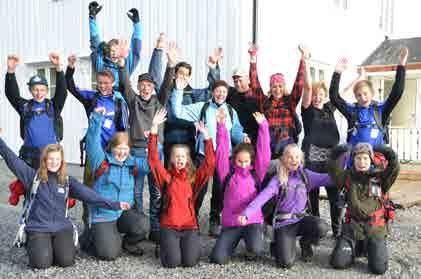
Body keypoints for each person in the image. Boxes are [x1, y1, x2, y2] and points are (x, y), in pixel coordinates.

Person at [0, 128, 130, 269]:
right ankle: (37, 246)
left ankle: (50, 247)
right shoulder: (32, 177)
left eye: (57, 159)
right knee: (41, 264)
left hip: (61, 227)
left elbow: (90, 195)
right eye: (50, 159)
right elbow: (11, 159)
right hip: (38, 228)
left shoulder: (67, 181)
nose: (54, 162)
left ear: (62, 162)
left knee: (66, 261)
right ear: (44, 160)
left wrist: (115, 204)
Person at [170, 78, 247, 236]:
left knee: (219, 190)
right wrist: (177, 90)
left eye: (224, 92)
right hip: (204, 155)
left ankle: (214, 221)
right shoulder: (203, 107)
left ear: (227, 94)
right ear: (213, 92)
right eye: (218, 91)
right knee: (198, 187)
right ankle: (192, 218)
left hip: (224, 157)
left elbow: (236, 132)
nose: (221, 94)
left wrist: (243, 136)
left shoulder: (231, 111)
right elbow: (178, 111)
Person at [238, 144, 333, 268]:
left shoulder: (306, 175)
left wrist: (346, 169)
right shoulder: (277, 179)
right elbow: (262, 197)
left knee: (322, 227)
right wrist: (246, 214)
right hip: (284, 224)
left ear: (301, 159)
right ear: (283, 159)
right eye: (290, 157)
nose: (294, 160)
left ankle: (305, 242)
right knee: (285, 263)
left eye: (297, 157)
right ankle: (277, 243)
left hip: (301, 219)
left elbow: (330, 179)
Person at [65, 54, 129, 236]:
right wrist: (70, 68)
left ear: (112, 82)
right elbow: (71, 88)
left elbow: (124, 130)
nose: (102, 86)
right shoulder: (91, 98)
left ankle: (112, 225)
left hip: (111, 154)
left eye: (106, 83)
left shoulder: (118, 102)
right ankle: (89, 226)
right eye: (100, 82)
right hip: (94, 153)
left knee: (111, 187)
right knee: (89, 189)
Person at [117, 35, 170, 243]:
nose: (146, 88)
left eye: (149, 85)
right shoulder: (133, 101)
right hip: (137, 152)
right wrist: (122, 65)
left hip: (156, 152)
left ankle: (155, 228)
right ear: (139, 87)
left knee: (157, 193)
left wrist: (170, 65)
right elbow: (125, 86)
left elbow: (167, 85)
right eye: (143, 85)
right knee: (137, 193)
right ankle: (140, 225)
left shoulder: (160, 102)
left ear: (153, 88)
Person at [148, 109, 216, 268]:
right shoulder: (166, 177)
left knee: (190, 262)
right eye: (176, 156)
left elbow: (210, 164)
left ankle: (181, 246)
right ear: (172, 159)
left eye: (183, 156)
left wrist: (207, 138)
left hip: (189, 226)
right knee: (172, 263)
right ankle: (164, 245)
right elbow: (153, 159)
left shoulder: (194, 179)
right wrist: (154, 129)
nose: (180, 159)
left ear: (187, 159)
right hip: (169, 226)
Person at [84, 107, 150, 260]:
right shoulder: (100, 160)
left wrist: (152, 141)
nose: (122, 152)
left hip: (123, 212)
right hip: (103, 214)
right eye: (118, 148)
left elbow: (151, 164)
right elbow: (92, 141)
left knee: (143, 224)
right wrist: (96, 119)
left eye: (125, 149)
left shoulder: (131, 162)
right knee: (109, 254)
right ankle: (91, 236)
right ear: (111, 147)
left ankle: (128, 243)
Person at [210, 111, 270, 264]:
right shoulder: (227, 174)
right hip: (231, 222)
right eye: (239, 161)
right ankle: (231, 243)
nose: (243, 164)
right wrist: (221, 127)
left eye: (246, 161)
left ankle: (253, 242)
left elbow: (264, 153)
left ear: (251, 161)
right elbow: (222, 152)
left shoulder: (257, 173)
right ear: (234, 160)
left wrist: (263, 127)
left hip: (252, 221)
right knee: (218, 259)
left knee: (256, 249)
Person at [329, 143, 399, 275]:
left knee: (378, 269)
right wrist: (335, 154)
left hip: (375, 229)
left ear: (371, 160)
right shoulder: (347, 177)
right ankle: (358, 247)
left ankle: (370, 247)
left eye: (365, 158)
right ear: (353, 160)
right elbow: (333, 169)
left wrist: (390, 153)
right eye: (358, 158)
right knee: (338, 263)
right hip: (352, 229)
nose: (362, 162)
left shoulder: (380, 178)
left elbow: (394, 168)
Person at [329, 47, 408, 146]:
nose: (362, 98)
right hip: (356, 157)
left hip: (376, 157)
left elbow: (397, 92)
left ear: (372, 93)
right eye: (359, 95)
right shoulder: (352, 110)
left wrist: (401, 65)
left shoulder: (380, 109)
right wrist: (337, 72)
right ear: (355, 97)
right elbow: (334, 97)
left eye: (365, 94)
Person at [5, 53, 67, 169]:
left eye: (42, 90)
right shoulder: (25, 106)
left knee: (50, 186)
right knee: (30, 186)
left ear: (47, 90)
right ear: (30, 90)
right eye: (35, 90)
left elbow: (62, 91)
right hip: (30, 158)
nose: (39, 93)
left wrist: (58, 68)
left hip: (50, 158)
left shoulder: (53, 106)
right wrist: (11, 71)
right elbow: (11, 94)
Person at [249, 44, 311, 158]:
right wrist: (253, 59)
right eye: (274, 86)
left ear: (284, 87)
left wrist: (303, 59)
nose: (277, 89)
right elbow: (254, 84)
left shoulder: (290, 102)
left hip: (288, 153)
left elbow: (299, 83)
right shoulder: (264, 102)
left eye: (280, 86)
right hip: (269, 152)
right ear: (270, 88)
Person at [163, 45, 220, 164]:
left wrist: (213, 69)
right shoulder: (166, 93)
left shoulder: (194, 94)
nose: (183, 76)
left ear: (189, 77)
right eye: (180, 73)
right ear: (174, 74)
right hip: (170, 140)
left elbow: (212, 90)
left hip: (188, 141)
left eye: (186, 74)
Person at [301, 80, 340, 235]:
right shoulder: (308, 110)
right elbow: (307, 87)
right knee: (313, 198)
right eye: (315, 95)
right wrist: (306, 61)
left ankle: (337, 230)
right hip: (312, 162)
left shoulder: (329, 109)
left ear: (325, 97)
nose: (318, 98)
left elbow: (340, 93)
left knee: (335, 197)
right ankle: (314, 230)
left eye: (321, 95)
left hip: (330, 162)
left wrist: (359, 77)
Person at [88, 1, 142, 87]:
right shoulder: (102, 65)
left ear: (121, 51)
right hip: (104, 97)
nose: (114, 53)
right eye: (111, 50)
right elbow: (95, 44)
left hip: (122, 98)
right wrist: (92, 18)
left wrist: (137, 24)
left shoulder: (126, 65)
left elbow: (136, 50)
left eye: (116, 50)